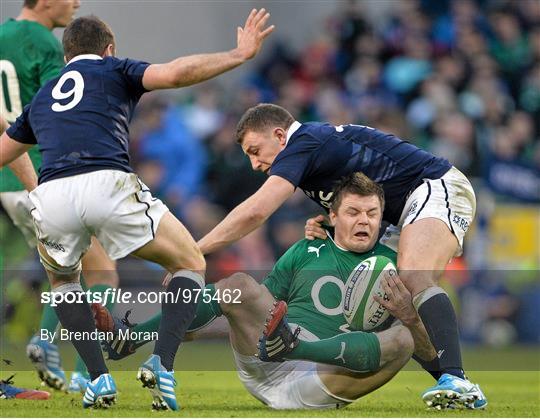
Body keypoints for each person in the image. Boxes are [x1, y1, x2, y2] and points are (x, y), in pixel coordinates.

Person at [0, 12, 273, 410]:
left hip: (52, 192)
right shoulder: (114, 69)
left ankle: (98, 380)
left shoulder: (44, 95)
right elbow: (177, 73)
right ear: (108, 49)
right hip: (107, 181)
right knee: (189, 261)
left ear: (66, 54)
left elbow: (6, 152)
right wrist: (237, 55)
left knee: (64, 283)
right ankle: (161, 363)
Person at [195, 103, 486, 409]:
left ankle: (455, 378)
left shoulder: (303, 144)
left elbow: (256, 211)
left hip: (435, 185)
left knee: (415, 277)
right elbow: (358, 191)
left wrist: (195, 251)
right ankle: (454, 384)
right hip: (396, 214)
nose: (255, 163)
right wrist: (329, 218)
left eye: (256, 150)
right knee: (396, 303)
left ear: (280, 135)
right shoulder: (313, 151)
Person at [94, 173, 437, 409]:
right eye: (353, 212)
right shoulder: (306, 249)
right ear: (332, 216)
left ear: (381, 220)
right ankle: (130, 338)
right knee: (241, 285)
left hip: (321, 381)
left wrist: (409, 315)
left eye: (372, 214)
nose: (363, 220)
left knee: (404, 339)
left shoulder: (399, 267)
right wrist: (186, 321)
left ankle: (295, 346)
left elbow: (429, 351)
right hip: (264, 363)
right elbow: (257, 308)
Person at [0, 0, 121, 394]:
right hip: (39, 171)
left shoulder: (2, 36)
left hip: (5, 179)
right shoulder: (45, 42)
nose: (76, 2)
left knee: (62, 269)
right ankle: (58, 349)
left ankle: (47, 344)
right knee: (101, 272)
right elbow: (65, 103)